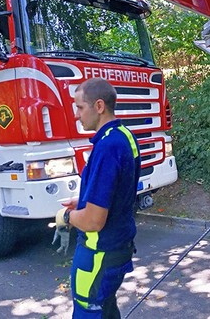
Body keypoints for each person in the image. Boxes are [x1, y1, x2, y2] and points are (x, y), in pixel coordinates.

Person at [57, 77, 139, 318]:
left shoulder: (107, 147)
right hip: (118, 247)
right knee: (106, 310)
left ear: (99, 106)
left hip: (98, 254)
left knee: (88, 311)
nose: (76, 115)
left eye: (80, 107)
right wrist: (83, 201)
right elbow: (120, 192)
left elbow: (93, 221)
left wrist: (67, 216)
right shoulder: (124, 135)